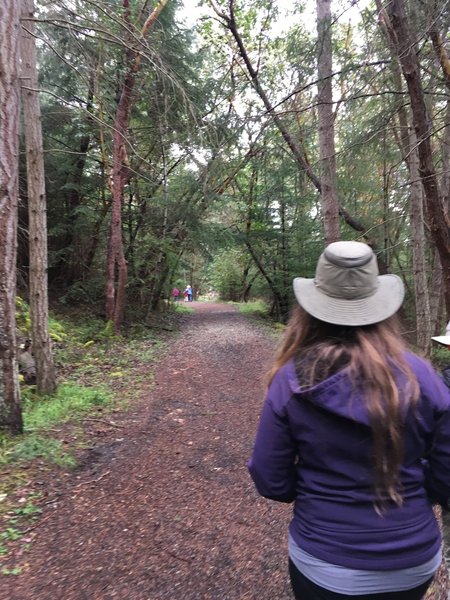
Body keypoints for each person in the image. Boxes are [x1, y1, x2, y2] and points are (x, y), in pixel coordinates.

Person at [248, 241, 450, 600]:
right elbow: (446, 474)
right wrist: (419, 494)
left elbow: (270, 478)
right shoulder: (424, 376)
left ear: (311, 309)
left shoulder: (292, 380)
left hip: (325, 560)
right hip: (413, 557)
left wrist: (317, 493)